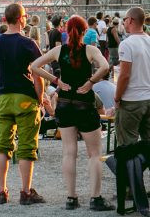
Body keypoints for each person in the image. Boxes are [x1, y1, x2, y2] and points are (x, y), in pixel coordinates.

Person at [31, 15, 114, 211]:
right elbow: (104, 66)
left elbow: (34, 66)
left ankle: (71, 198)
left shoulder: (59, 50)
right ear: (85, 31)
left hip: (65, 103)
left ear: (66, 31)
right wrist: (91, 82)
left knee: (69, 152)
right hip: (84, 102)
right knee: (94, 154)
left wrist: (56, 81)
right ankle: (95, 198)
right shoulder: (90, 50)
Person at [0, 3, 45, 206]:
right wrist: (40, 98)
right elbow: (38, 76)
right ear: (21, 18)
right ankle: (26, 192)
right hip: (25, 98)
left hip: (3, 98)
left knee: (2, 146)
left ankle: (2, 191)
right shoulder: (28, 43)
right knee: (27, 146)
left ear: (5, 19)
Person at [115, 7, 150, 146]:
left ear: (130, 20)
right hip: (148, 97)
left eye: (124, 20)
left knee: (127, 145)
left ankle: (130, 168)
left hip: (131, 100)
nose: (123, 23)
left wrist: (117, 97)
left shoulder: (126, 44)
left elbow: (124, 75)